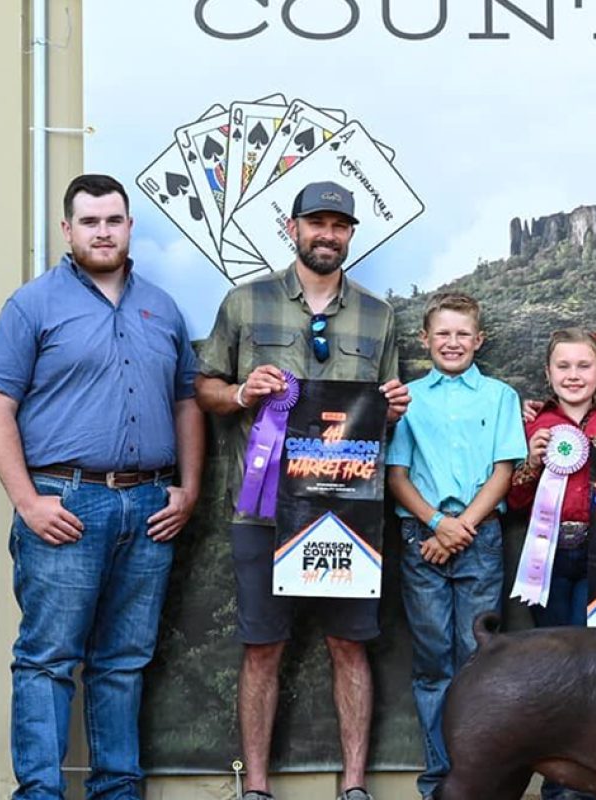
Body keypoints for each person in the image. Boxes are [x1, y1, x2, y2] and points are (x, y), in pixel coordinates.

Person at [0, 173, 204, 799]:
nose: (104, 231)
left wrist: (188, 488)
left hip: (150, 506)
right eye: (91, 221)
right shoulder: (33, 305)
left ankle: (116, 791)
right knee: (47, 660)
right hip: (65, 504)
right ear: (68, 230)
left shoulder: (162, 308)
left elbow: (186, 402)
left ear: (130, 228)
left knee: (124, 662)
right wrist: (27, 501)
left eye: (115, 220)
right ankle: (40, 793)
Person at [194, 181, 410, 800]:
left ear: (350, 235)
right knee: (263, 646)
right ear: (292, 229)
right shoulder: (245, 302)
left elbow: (386, 404)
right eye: (316, 223)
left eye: (339, 226)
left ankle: (355, 787)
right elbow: (205, 387)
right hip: (261, 511)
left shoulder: (379, 314)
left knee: (349, 644)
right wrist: (241, 393)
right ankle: (256, 788)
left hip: (348, 513)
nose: (327, 234)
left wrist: (392, 404)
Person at [386, 291, 527, 800]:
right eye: (442, 333)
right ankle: (437, 783)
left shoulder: (499, 396)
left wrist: (461, 526)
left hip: (480, 537)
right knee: (432, 664)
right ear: (425, 339)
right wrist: (435, 523)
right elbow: (396, 474)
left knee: (477, 661)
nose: (452, 342)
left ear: (479, 340)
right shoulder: (408, 398)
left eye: (462, 334)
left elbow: (504, 471)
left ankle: (477, 783)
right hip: (420, 538)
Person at [507, 328, 596, 800]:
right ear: (548, 372)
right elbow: (517, 500)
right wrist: (531, 461)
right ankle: (560, 786)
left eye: (583, 366)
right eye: (563, 367)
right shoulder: (533, 423)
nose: (573, 375)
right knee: (555, 670)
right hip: (548, 554)